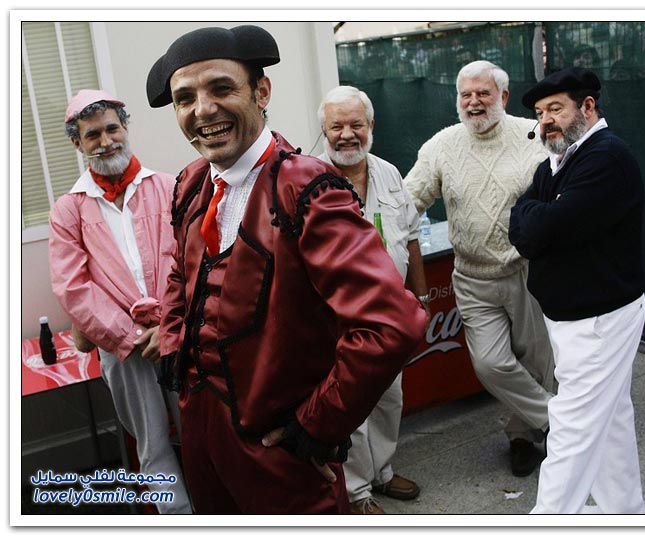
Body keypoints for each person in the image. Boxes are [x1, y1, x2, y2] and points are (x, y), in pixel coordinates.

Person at [145, 25, 426, 515]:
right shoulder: (191, 183)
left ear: (262, 91)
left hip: (279, 454)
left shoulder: (307, 187)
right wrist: (173, 340)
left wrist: (317, 424)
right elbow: (179, 270)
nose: (202, 110)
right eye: (184, 98)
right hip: (202, 437)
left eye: (221, 88)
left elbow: (391, 323)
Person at [404, 60, 555, 477]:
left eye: (483, 93)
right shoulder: (441, 146)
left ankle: (522, 437)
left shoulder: (533, 135)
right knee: (490, 364)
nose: (474, 102)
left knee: (538, 362)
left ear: (503, 97)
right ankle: (559, 424)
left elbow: (566, 188)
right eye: (465, 94)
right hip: (471, 277)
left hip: (529, 272)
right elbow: (407, 201)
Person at [509, 67, 645, 514]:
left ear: (587, 107)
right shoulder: (557, 162)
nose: (545, 120)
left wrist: (537, 219)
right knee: (610, 421)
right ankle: (624, 513)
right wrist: (537, 218)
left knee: (571, 424)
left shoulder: (604, 157)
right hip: (573, 317)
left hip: (600, 318)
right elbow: (522, 220)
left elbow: (543, 226)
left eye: (556, 109)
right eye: (539, 112)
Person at [49, 89, 192, 514]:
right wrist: (130, 337)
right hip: (122, 350)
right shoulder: (68, 210)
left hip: (179, 334)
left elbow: (190, 260)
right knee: (151, 444)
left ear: (126, 128)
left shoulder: (169, 186)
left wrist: (168, 326)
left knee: (201, 430)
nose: (106, 140)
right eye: (93, 135)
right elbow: (73, 288)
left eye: (113, 128)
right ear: (78, 144)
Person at [316, 85, 430, 515]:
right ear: (323, 130)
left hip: (391, 311)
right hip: (338, 317)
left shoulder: (388, 172)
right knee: (354, 407)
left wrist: (419, 295)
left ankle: (381, 472)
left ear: (371, 127)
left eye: (356, 124)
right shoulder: (309, 177)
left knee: (389, 397)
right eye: (336, 126)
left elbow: (412, 236)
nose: (347, 134)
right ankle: (357, 492)